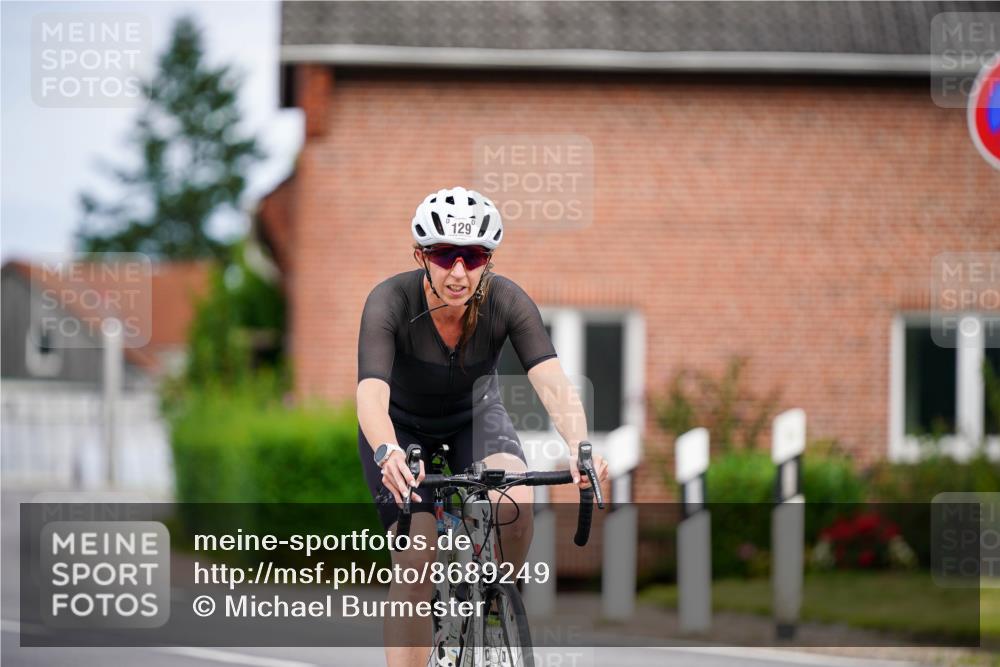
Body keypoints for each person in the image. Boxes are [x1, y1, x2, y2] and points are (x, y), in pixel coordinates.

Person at [356, 186, 608, 667]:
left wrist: (581, 444)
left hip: (475, 417)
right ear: (420, 256)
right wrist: (387, 451)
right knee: (415, 561)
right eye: (444, 255)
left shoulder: (506, 300)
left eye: (472, 257)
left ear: (487, 260)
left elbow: (552, 382)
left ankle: (495, 604)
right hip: (401, 430)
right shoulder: (389, 301)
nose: (458, 272)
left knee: (515, 501)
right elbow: (370, 394)